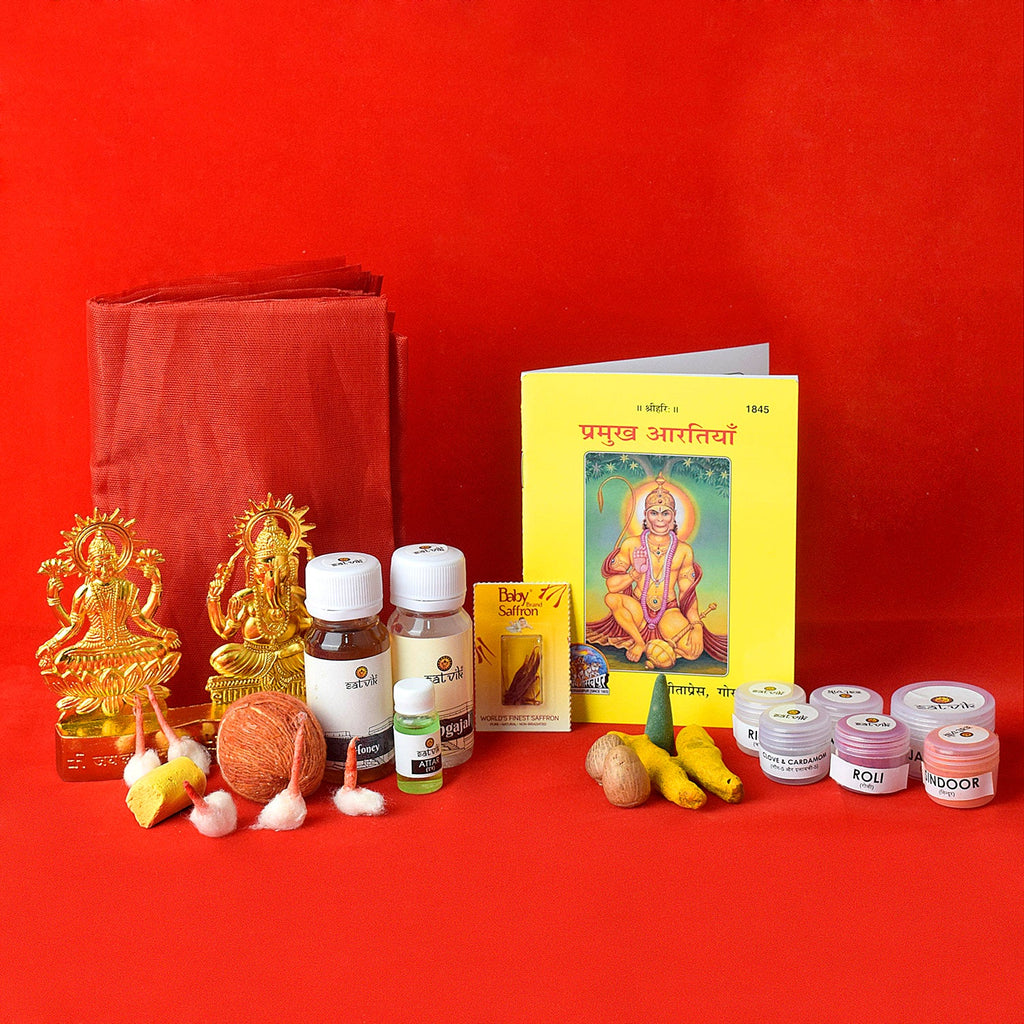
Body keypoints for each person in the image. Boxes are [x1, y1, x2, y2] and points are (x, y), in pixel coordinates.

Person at [586, 475, 727, 669]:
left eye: (665, 513)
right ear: (646, 515)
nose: (660, 519)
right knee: (612, 599)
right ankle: (639, 642)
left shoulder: (684, 550)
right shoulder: (632, 544)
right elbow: (612, 587)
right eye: (654, 513)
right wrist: (635, 573)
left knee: (693, 651)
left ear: (673, 516)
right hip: (638, 610)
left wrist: (696, 625)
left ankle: (661, 647)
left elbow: (687, 593)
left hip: (668, 611)